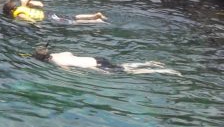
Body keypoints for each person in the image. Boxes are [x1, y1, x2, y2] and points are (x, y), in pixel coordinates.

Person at [33, 46, 180, 74]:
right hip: (98, 58)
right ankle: (149, 63)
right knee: (122, 65)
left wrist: (100, 73)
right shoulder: (60, 54)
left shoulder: (57, 63)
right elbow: (70, 53)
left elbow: (73, 72)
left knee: (128, 72)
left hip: (96, 66)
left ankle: (160, 70)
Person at [2, 0, 106, 23]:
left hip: (48, 17)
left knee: (72, 22)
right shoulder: (22, 7)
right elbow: (24, 0)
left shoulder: (19, 14)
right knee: (73, 17)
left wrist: (36, 25)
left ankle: (95, 21)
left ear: (11, 11)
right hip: (48, 13)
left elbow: (30, 20)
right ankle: (94, 15)